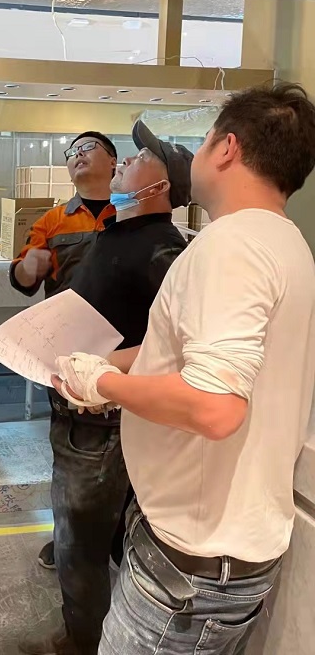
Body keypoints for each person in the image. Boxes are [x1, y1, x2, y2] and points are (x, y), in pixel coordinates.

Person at [54, 83, 315, 655]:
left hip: (191, 565)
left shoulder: (231, 246)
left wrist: (103, 383)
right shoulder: (285, 241)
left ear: (227, 148)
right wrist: (106, 363)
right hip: (222, 549)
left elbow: (216, 407)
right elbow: (186, 354)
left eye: (202, 139)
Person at [21, 122, 192, 655]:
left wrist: (105, 374)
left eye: (142, 157)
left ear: (158, 187)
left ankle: (81, 643)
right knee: (91, 535)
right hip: (82, 410)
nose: (127, 160)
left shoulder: (162, 248)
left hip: (100, 423)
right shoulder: (119, 233)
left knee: (78, 543)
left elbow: (179, 343)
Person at [11, 131, 117, 571]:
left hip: (127, 355)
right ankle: (68, 541)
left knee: (128, 456)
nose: (77, 156)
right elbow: (23, 279)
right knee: (72, 456)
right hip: (70, 361)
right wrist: (27, 267)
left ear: (114, 162)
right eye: (71, 152)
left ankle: (115, 540)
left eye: (87, 148)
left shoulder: (133, 213)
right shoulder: (53, 221)